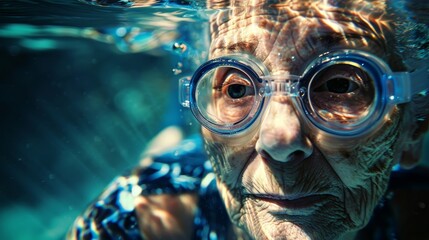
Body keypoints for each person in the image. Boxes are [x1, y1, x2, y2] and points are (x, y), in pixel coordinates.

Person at [68, 0, 429, 239]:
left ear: (413, 131)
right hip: (183, 167)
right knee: (166, 147)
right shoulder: (143, 216)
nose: (279, 138)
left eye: (338, 85)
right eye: (237, 90)